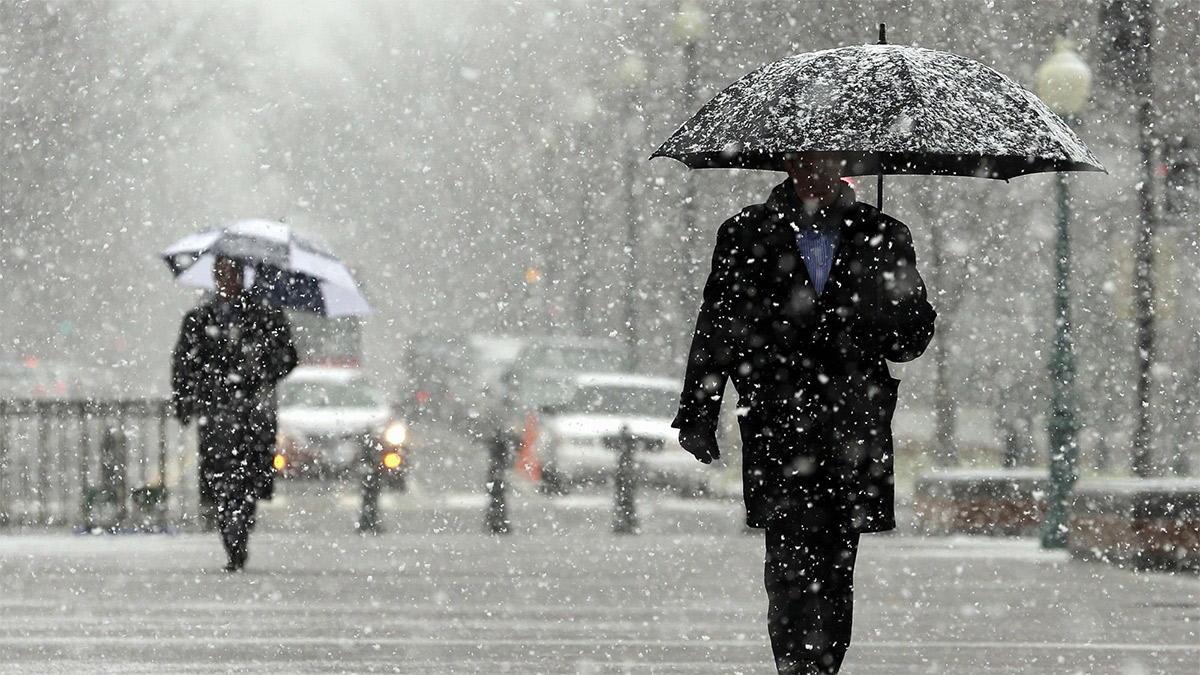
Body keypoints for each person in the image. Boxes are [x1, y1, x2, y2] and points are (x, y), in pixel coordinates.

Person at [674, 152, 936, 674]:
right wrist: (698, 412)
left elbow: (911, 339)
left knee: (837, 569)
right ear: (789, 163)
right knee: (789, 568)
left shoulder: (884, 236)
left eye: (829, 158)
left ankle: (821, 667)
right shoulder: (746, 233)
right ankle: (796, 667)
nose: (816, 169)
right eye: (807, 158)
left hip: (852, 429)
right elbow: (718, 325)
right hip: (777, 423)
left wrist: (886, 305)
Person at [172, 255, 298, 572]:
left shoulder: (266, 316)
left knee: (247, 482)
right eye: (220, 274)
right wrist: (188, 401)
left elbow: (287, 357)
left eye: (232, 273)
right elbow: (183, 366)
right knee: (222, 483)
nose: (226, 280)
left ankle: (239, 532)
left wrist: (257, 367)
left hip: (252, 416)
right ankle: (233, 537)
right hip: (217, 415)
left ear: (243, 277)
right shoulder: (199, 319)